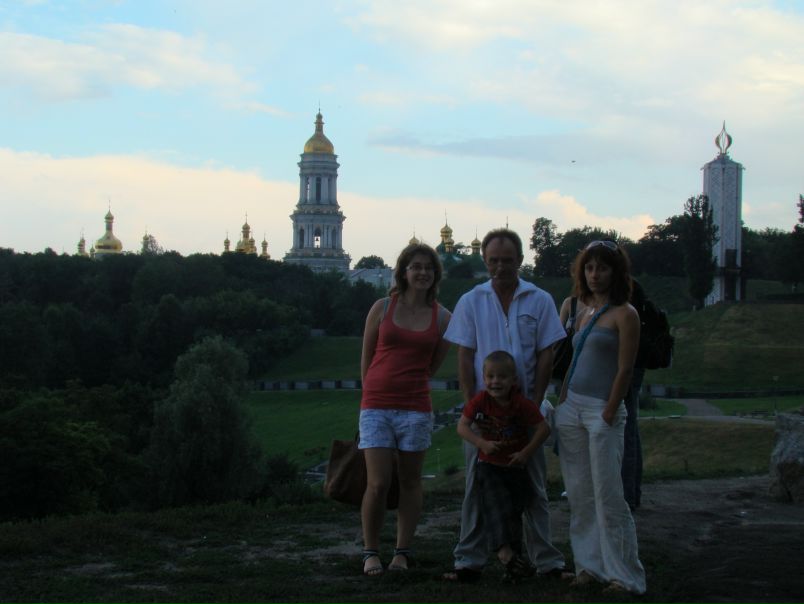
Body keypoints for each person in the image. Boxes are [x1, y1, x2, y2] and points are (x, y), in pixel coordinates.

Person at [443, 228, 567, 582]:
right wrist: (473, 408)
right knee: (476, 488)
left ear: (520, 260)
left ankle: (547, 562)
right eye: (494, 261)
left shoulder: (539, 299)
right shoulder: (472, 301)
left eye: (507, 261)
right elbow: (465, 356)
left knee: (534, 488)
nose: (500, 267)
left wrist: (535, 403)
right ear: (485, 260)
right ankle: (469, 561)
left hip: (527, 410)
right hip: (485, 414)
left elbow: (546, 354)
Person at [555, 240, 646, 594]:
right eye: (589, 267)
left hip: (601, 411)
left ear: (616, 272)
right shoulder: (578, 308)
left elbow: (625, 370)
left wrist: (609, 410)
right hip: (572, 407)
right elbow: (570, 358)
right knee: (579, 494)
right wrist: (563, 400)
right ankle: (588, 567)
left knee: (608, 494)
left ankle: (625, 576)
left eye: (602, 268)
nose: (595, 274)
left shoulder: (625, 313)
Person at [358, 243, 452, 576]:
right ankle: (370, 552)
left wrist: (411, 383)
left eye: (428, 267)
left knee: (411, 481)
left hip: (415, 408)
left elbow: (434, 364)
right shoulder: (382, 307)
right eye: (416, 266)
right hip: (377, 406)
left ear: (435, 274)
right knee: (378, 483)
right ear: (404, 271)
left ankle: (402, 552)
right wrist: (369, 394)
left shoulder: (443, 317)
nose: (422, 272)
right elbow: (367, 357)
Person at [456, 350, 551, 582]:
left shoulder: (521, 404)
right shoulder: (481, 401)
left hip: (515, 467)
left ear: (514, 380)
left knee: (512, 512)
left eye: (501, 377)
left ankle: (513, 566)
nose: (495, 382)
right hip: (489, 466)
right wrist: (481, 443)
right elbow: (462, 426)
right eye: (490, 377)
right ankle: (504, 554)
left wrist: (526, 453)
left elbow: (544, 428)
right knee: (494, 506)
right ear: (483, 378)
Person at [622, 279, 648, 510]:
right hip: (637, 363)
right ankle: (632, 492)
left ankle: (627, 495)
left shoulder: (625, 290)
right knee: (631, 428)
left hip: (627, 364)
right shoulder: (634, 286)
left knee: (626, 430)